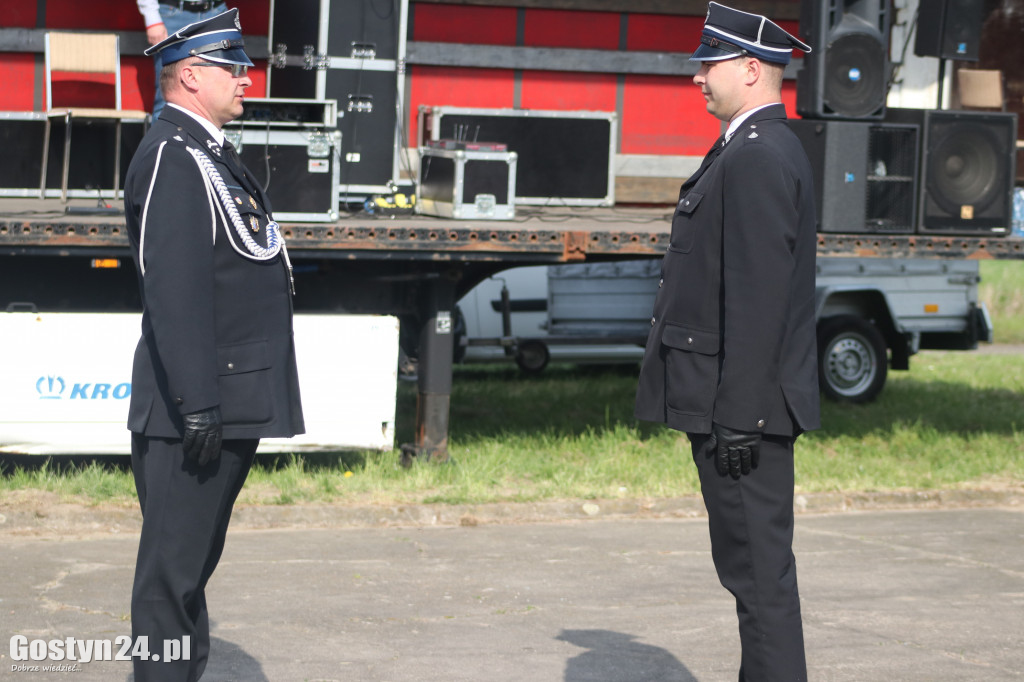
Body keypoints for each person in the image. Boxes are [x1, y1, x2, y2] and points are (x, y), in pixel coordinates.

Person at [634, 3, 819, 680]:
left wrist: (740, 416)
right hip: (738, 407)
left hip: (744, 413)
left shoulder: (759, 154)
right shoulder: (750, 146)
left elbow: (757, 299)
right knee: (752, 577)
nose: (697, 79)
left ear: (749, 68)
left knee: (759, 582)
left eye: (708, 65)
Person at [123, 9, 303, 681]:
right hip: (194, 412)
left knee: (189, 576)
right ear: (191, 75)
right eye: (234, 67)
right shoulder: (174, 155)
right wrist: (199, 403)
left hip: (221, 401)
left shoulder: (202, 153)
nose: (247, 79)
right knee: (168, 587)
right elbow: (176, 293)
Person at [137, 0, 228, 119]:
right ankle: (164, 138)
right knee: (169, 95)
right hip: (173, 13)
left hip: (216, 11)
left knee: (219, 94)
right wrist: (151, 17)